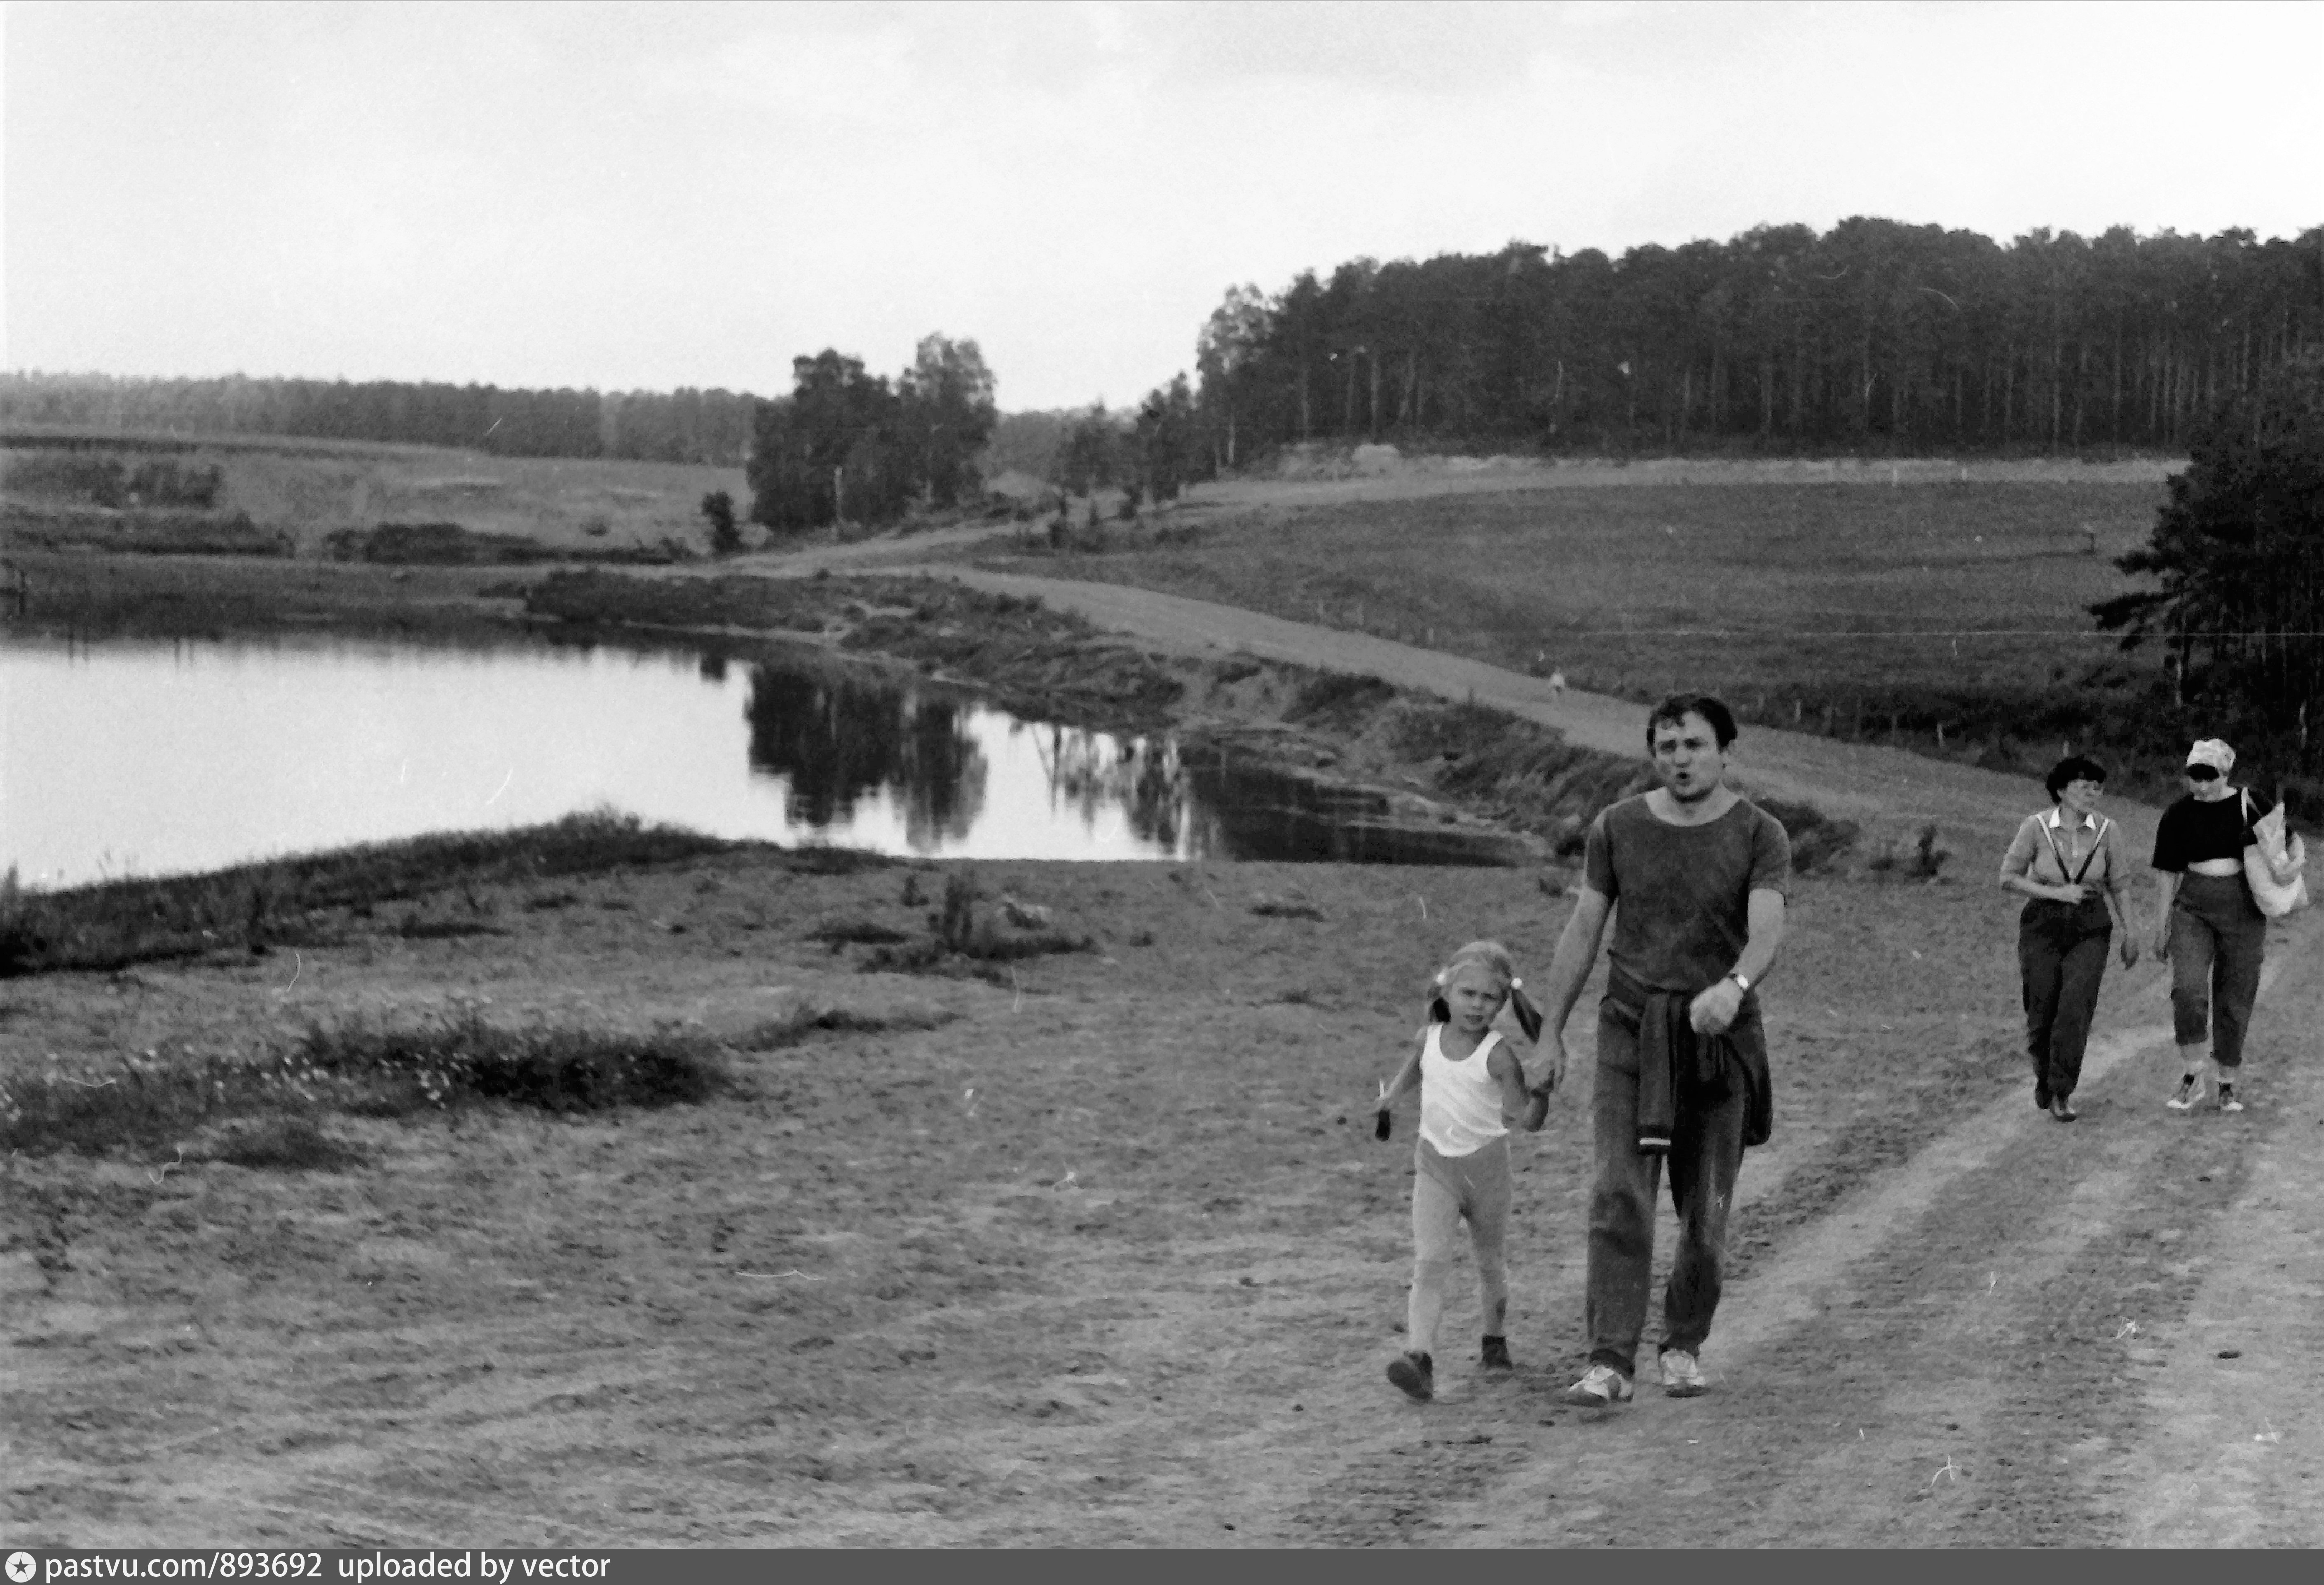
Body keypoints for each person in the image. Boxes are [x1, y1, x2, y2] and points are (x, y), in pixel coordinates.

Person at [1525, 692, 1790, 1407]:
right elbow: (1584, 931)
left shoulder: (1760, 833)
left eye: (1695, 745)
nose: (1680, 758)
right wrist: (1549, 1033)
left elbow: (1767, 927)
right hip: (1630, 1032)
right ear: (1653, 754)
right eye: (1667, 746)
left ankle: (1683, 1342)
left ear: (1725, 751)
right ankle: (1610, 1359)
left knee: (1705, 1211)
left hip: (1716, 1038)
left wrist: (1733, 986)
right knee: (1618, 1193)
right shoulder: (1617, 827)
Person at [1371, 940, 1542, 1403]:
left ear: (1503, 1003)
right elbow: (1417, 1069)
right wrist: (1392, 1099)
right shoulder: (1428, 1036)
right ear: (1446, 991)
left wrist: (1538, 1095)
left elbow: (1523, 1117)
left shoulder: (1499, 1055)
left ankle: (1494, 1339)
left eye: (1489, 998)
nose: (1476, 1005)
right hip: (1435, 1166)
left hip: (1488, 1170)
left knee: (1490, 1262)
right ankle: (1420, 1357)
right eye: (1468, 993)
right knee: (1429, 1261)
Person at [2151, 739, 2304, 1113]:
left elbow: (2290, 840)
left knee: (2236, 993)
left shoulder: (2251, 802)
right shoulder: (2177, 814)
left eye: (2210, 777)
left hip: (2243, 907)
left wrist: (2289, 867)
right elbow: (2168, 873)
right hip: (2193, 907)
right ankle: (2192, 1074)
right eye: (2195, 777)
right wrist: (2161, 926)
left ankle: (2227, 1082)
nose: (2201, 787)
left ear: (2227, 773)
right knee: (2187, 989)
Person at [1998, 755, 2138, 1122]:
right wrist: (2055, 894)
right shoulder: (2036, 827)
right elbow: (2008, 877)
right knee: (2041, 1007)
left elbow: (2120, 884)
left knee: (2075, 1008)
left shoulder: (2110, 831)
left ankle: (2062, 1090)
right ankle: (2044, 1075)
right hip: (2042, 923)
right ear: (2061, 790)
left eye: (2097, 787)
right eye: (2083, 785)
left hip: (2091, 926)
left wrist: (2130, 931)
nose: (2092, 793)